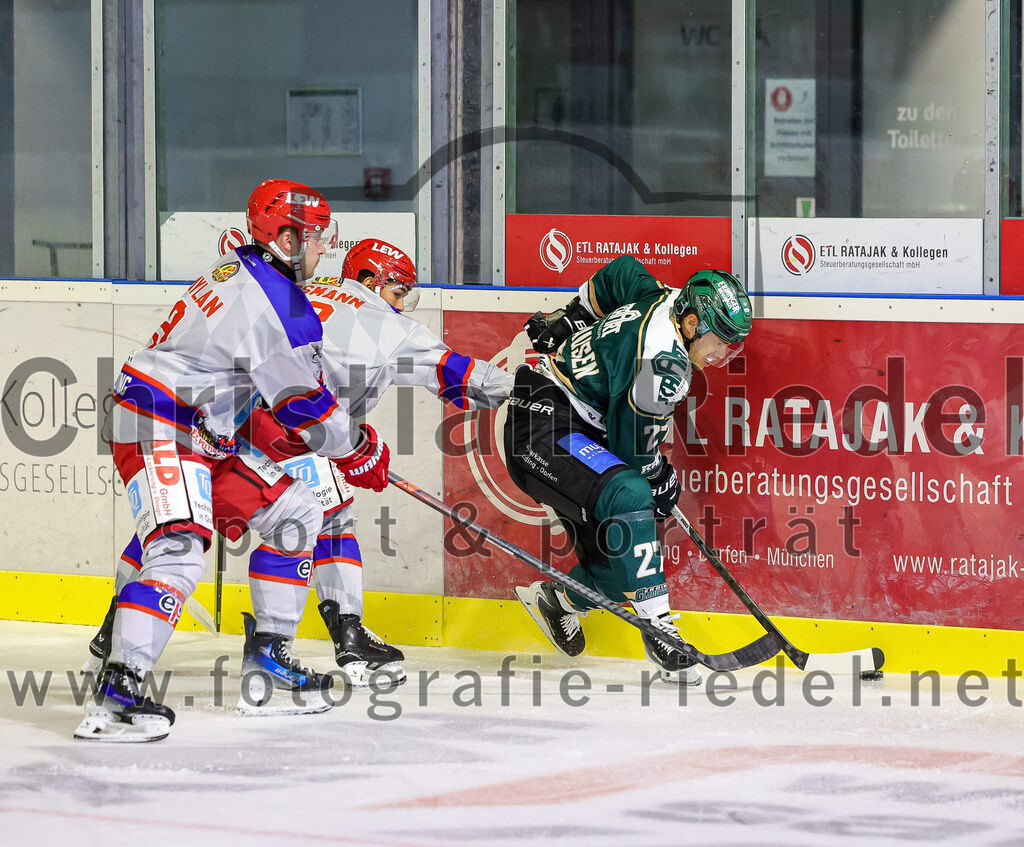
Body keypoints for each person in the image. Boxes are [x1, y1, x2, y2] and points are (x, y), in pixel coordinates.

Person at [76, 180, 391, 742]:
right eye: (317, 236)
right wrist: (360, 449)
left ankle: (268, 665)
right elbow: (303, 405)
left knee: (296, 511)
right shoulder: (278, 304)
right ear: (288, 238)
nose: (325, 249)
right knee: (179, 546)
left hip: (201, 432)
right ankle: (117, 693)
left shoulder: (240, 266)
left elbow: (270, 392)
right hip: (160, 425)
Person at [243, 238, 514, 688]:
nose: (402, 303)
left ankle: (116, 630)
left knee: (180, 520)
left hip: (230, 415)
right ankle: (341, 638)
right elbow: (461, 377)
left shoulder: (306, 289)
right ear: (371, 280)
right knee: (332, 519)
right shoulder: (384, 322)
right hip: (297, 427)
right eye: (398, 291)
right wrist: (527, 385)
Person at [506, 255, 752, 686]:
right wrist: (658, 476)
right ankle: (660, 630)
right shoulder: (664, 365)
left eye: (733, 345)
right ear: (693, 324)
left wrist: (574, 315)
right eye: (720, 342)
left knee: (622, 566)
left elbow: (622, 272)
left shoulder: (665, 298)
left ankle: (559, 600)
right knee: (633, 492)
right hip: (543, 424)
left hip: (576, 429)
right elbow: (633, 453)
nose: (723, 354)